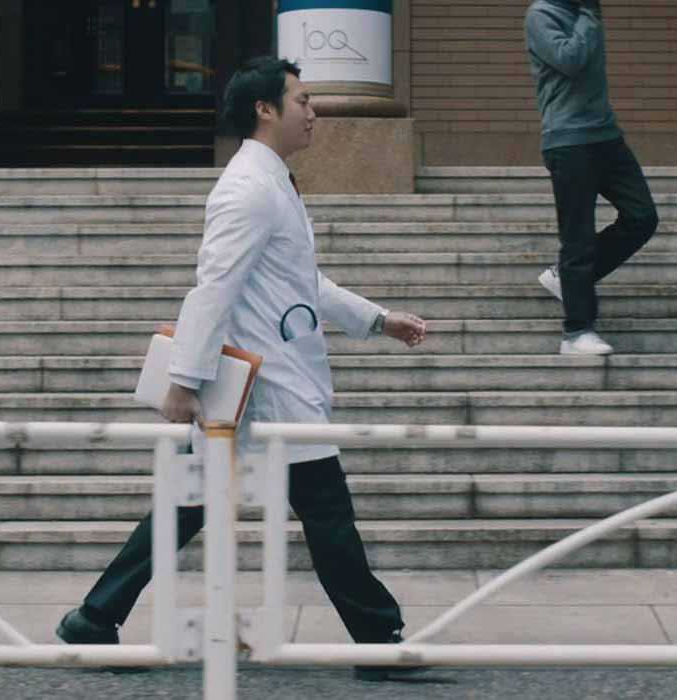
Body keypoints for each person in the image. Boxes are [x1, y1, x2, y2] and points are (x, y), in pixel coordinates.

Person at [55, 56, 431, 683]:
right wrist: (182, 381)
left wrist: (376, 319)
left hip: (264, 389)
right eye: (302, 100)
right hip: (270, 390)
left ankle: (95, 617)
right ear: (265, 109)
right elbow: (214, 287)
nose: (313, 111)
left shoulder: (270, 180)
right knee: (326, 513)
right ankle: (378, 639)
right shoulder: (247, 188)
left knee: (187, 507)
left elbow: (301, 279)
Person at [525, 0, 659, 356]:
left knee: (642, 216)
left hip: (606, 136)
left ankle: (565, 278)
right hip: (568, 142)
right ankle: (576, 333)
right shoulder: (542, 14)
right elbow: (570, 60)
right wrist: (588, 12)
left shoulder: (586, 13)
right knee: (578, 239)